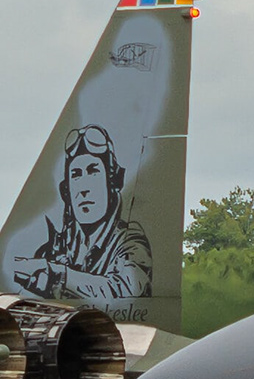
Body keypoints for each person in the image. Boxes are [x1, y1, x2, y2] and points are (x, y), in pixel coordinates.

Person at [8, 124, 156, 312]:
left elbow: (129, 290)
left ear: (112, 183)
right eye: (76, 175)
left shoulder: (130, 242)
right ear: (67, 191)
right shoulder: (56, 248)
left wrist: (59, 275)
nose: (84, 188)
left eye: (93, 172)